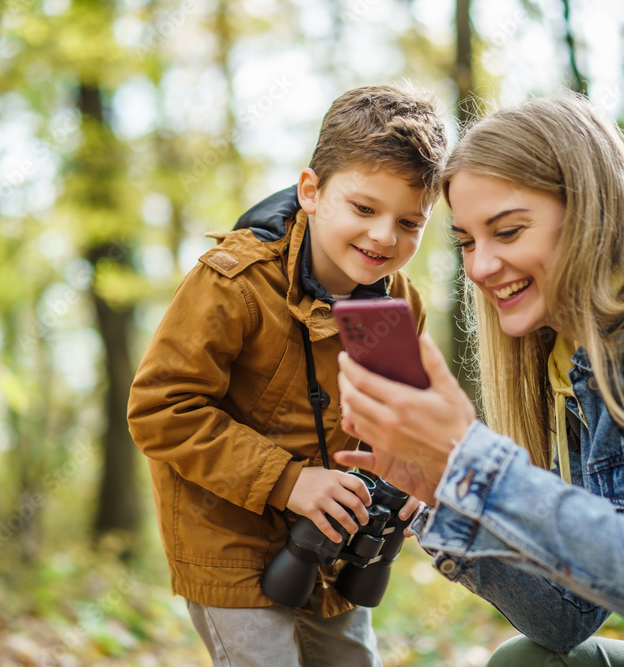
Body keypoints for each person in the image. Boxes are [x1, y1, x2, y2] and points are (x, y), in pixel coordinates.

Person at [333, 93, 624, 666]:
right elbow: (565, 619)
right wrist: (440, 493)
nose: (479, 267)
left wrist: (472, 459)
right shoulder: (577, 358)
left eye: (507, 232)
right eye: (468, 241)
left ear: (587, 214)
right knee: (521, 661)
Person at [127, 83, 450, 666]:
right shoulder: (234, 284)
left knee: (352, 659)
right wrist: (289, 481)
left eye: (410, 222)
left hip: (334, 539)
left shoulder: (395, 303)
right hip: (228, 536)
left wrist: (408, 475)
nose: (384, 236)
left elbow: (396, 420)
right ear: (311, 191)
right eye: (363, 208)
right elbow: (160, 410)